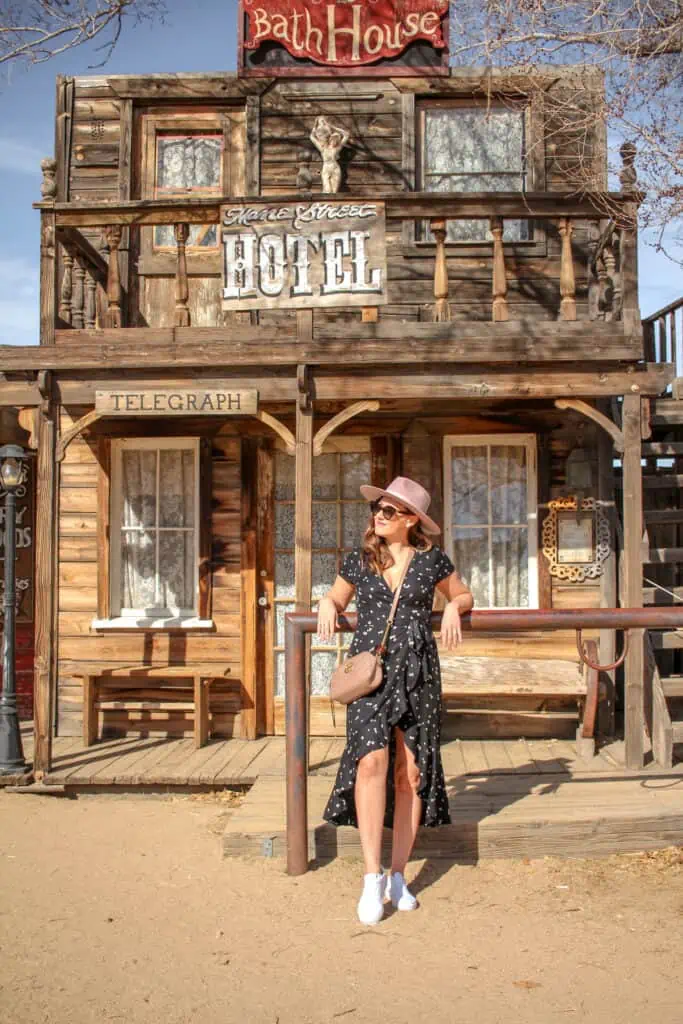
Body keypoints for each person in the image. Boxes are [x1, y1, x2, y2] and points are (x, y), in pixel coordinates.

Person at [317, 476, 473, 926]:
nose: (378, 516)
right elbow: (336, 595)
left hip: (419, 673)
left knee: (410, 774)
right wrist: (328, 603)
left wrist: (451, 607)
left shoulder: (430, 561)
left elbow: (463, 593)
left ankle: (399, 876)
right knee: (370, 763)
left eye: (388, 511)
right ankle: (371, 877)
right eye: (377, 510)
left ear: (410, 519)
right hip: (371, 674)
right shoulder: (361, 558)